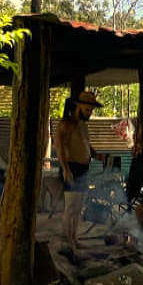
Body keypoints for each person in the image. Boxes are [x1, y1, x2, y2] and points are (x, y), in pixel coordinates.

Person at [55, 90, 104, 257]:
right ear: (78, 106)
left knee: (78, 207)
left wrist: (98, 155)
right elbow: (60, 148)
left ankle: (74, 239)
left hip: (84, 169)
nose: (90, 112)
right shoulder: (65, 124)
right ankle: (67, 241)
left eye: (91, 110)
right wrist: (65, 169)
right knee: (70, 208)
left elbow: (87, 145)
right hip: (71, 168)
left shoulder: (83, 125)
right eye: (87, 109)